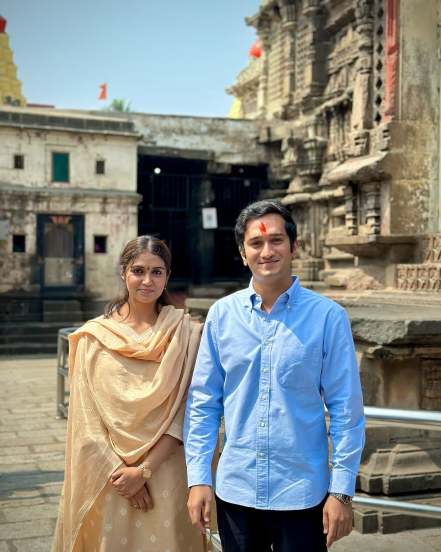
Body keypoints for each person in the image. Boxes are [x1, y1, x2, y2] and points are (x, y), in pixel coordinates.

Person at [184, 200, 365, 551]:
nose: (267, 251)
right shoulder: (222, 316)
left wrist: (341, 492)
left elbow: (346, 411)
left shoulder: (328, 318)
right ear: (242, 253)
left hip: (302, 494)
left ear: (294, 247)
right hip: (236, 491)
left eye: (277, 241)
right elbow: (204, 403)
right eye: (256, 243)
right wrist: (198, 479)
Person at [53, 236, 204, 552]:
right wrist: (125, 476)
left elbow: (188, 410)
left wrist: (145, 470)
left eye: (157, 272)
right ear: (123, 273)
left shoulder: (186, 334)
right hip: (112, 478)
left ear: (167, 277)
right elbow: (86, 420)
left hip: (168, 470)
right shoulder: (94, 337)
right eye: (138, 270)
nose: (147, 281)